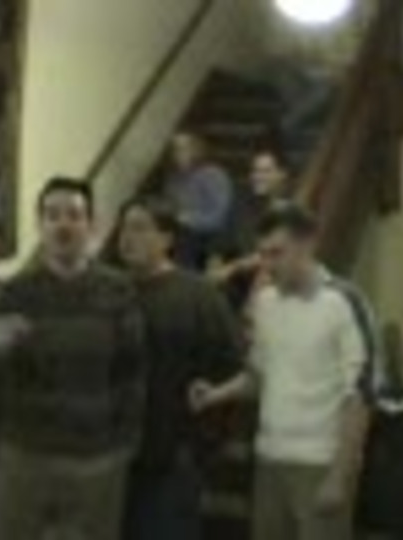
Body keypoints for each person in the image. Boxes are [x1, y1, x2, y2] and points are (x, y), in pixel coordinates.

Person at [191, 204, 372, 540]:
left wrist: (340, 476)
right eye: (262, 254)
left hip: (319, 464)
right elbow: (258, 375)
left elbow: (360, 395)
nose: (268, 264)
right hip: (269, 460)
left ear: (307, 245)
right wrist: (215, 394)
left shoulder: (343, 302)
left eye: (277, 253)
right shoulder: (265, 303)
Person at [0, 178, 146, 540]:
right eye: (53, 215)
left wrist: (124, 444)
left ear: (91, 225)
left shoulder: (119, 290)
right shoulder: (14, 292)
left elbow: (133, 373)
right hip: (25, 454)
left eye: (74, 215)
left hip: (97, 458)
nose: (63, 224)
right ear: (40, 225)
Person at [116, 197, 240, 540]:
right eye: (124, 228)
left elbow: (232, 367)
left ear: (167, 238)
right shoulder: (111, 292)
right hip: (115, 458)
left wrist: (204, 444)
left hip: (174, 459)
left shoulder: (199, 296)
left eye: (140, 228)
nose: (128, 237)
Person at [207, 149, 293, 313]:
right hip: (238, 280)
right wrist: (213, 266)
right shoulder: (242, 204)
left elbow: (270, 254)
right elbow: (221, 240)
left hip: (268, 280)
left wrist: (231, 268)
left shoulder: (287, 209)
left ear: (282, 174)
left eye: (266, 171)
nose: (258, 176)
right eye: (255, 171)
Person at [165, 131, 234, 270]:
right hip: (183, 235)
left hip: (212, 237)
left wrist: (188, 219)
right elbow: (172, 208)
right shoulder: (173, 180)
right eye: (175, 149)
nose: (178, 154)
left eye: (183, 148)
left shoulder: (213, 175)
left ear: (197, 149)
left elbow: (219, 216)